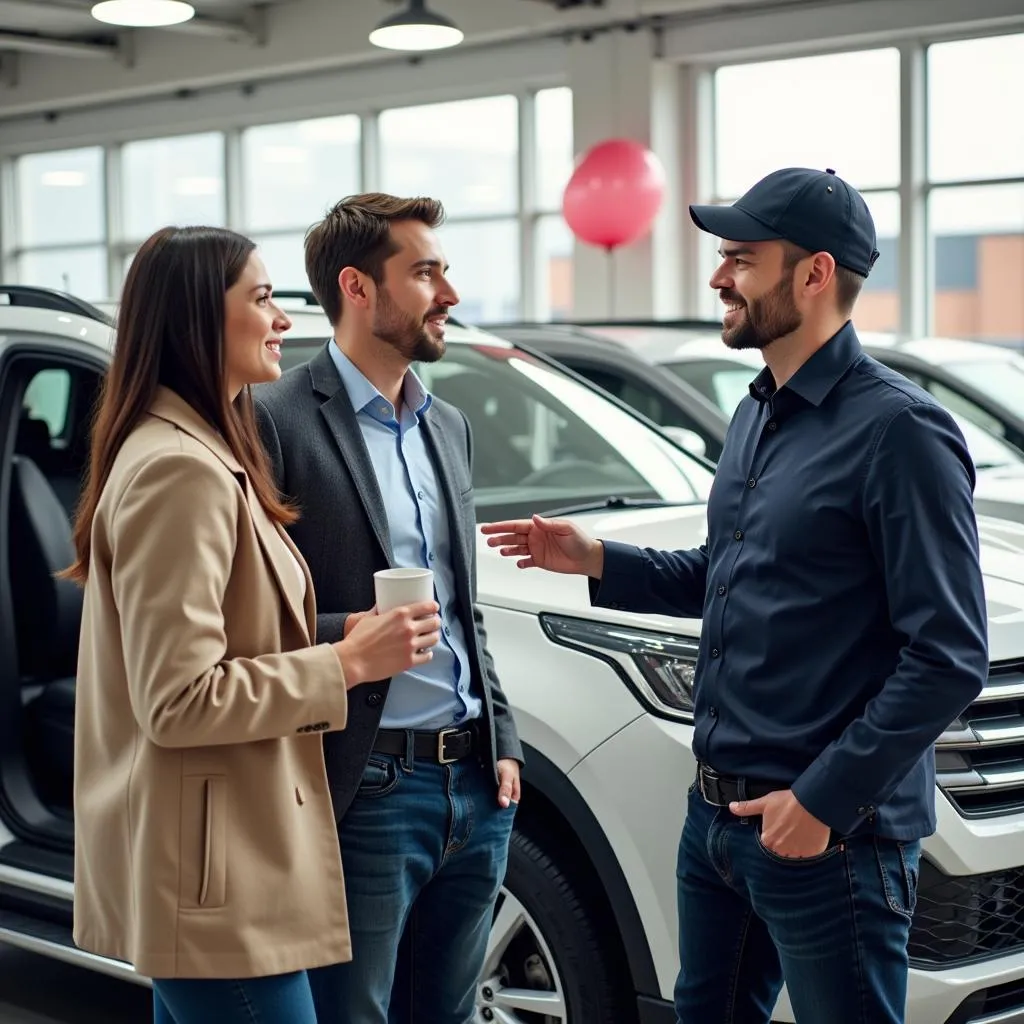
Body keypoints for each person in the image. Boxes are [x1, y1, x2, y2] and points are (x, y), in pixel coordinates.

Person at [482, 167, 989, 1024]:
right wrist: (598, 558)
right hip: (714, 822)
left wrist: (820, 802)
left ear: (815, 274)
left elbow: (948, 656)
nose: (719, 277)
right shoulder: (760, 411)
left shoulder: (901, 433)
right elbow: (728, 576)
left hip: (827, 839)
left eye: (742, 259)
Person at [66, 225, 442, 1024]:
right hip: (215, 879)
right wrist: (344, 663)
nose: (282, 320)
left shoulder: (201, 451)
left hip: (219, 864)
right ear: (200, 317)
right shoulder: (178, 469)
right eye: (262, 298)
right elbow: (178, 698)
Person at [253, 193, 523, 1024]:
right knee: (355, 1014)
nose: (448, 293)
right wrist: (352, 638)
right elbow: (248, 616)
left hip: (475, 786)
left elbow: (463, 602)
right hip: (364, 781)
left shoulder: (447, 426)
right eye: (426, 272)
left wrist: (501, 739)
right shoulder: (270, 420)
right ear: (358, 288)